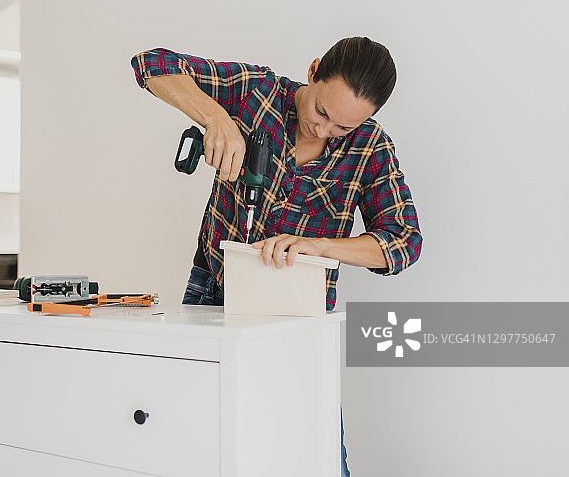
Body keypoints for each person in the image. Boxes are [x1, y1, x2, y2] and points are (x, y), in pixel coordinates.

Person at [131, 37, 422, 476]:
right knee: (197, 445)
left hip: (298, 319)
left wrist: (322, 248)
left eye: (342, 128)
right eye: (322, 112)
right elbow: (151, 65)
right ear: (313, 70)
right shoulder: (257, 92)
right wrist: (216, 118)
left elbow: (404, 241)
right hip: (216, 296)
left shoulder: (371, 148)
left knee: (315, 457)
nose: (323, 130)